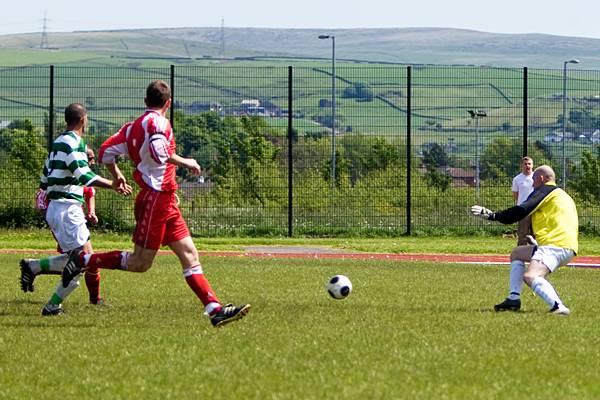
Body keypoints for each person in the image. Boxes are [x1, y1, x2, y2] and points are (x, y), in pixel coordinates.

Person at [61, 80, 251, 327]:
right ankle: (83, 261)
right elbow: (160, 152)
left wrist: (117, 174)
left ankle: (215, 309)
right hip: (156, 198)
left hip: (165, 199)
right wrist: (188, 162)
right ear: (168, 103)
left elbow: (106, 152)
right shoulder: (158, 122)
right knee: (140, 264)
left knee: (190, 254)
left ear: (145, 102)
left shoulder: (132, 127)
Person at [19, 103, 132, 315]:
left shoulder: (58, 143)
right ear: (83, 120)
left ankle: (33, 267)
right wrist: (113, 184)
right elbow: (83, 175)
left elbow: (44, 179)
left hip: (58, 207)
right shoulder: (74, 142)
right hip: (67, 209)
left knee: (82, 258)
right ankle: (52, 306)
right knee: (81, 262)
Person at [470, 165, 578, 315]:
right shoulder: (563, 195)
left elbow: (522, 210)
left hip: (555, 246)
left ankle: (559, 307)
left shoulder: (546, 191)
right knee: (517, 253)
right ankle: (513, 299)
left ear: (541, 178)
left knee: (531, 276)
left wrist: (493, 216)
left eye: (533, 180)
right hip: (566, 246)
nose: (532, 184)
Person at [24, 146, 104, 306]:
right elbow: (40, 201)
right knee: (82, 261)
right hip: (65, 223)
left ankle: (33, 267)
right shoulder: (62, 177)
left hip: (75, 222)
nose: (92, 162)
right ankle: (54, 303)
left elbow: (90, 193)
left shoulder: (80, 176)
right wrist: (57, 221)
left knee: (84, 261)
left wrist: (91, 212)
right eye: (89, 158)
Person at [512, 156, 534, 245]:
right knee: (522, 234)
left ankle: (537, 254)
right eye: (525, 164)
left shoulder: (537, 177)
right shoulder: (517, 179)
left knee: (536, 233)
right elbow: (515, 194)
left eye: (529, 164)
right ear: (522, 166)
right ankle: (521, 253)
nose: (527, 166)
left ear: (532, 165)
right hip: (523, 210)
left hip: (535, 209)